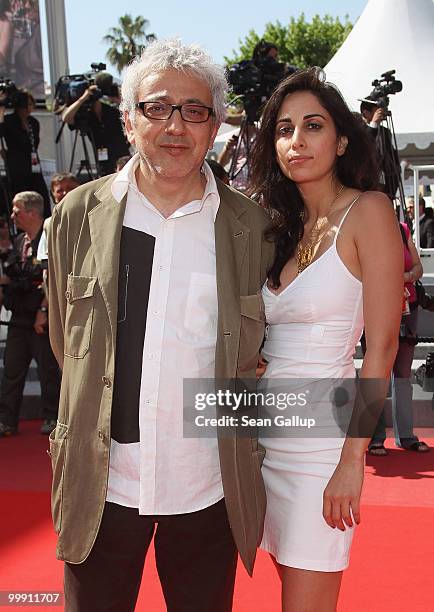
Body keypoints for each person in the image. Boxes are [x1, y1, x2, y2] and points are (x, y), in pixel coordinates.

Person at [48, 38, 274, 612]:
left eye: (195, 110)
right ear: (128, 121)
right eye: (157, 107)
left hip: (208, 487)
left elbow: (252, 354)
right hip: (101, 486)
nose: (176, 124)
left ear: (216, 125)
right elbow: (63, 341)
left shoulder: (249, 227)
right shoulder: (77, 215)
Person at [249, 68, 402, 611]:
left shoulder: (370, 212)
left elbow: (381, 349)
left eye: (312, 126)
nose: (297, 140)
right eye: (284, 129)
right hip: (263, 437)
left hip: (322, 446)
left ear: (340, 140)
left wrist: (352, 460)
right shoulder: (278, 225)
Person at [0, 191, 61, 437]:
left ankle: (52, 417)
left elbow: (52, 278)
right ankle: (6, 421)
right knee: (12, 371)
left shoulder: (50, 239)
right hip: (18, 317)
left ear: (32, 212)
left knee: (47, 371)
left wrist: (44, 310)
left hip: (40, 318)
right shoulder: (16, 243)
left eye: (17, 210)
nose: (12, 216)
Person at [368, 222, 429, 455]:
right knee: (376, 371)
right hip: (377, 308)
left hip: (408, 306)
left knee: (403, 373)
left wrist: (406, 276)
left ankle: (406, 436)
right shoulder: (365, 230)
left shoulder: (402, 230)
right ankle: (374, 438)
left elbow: (418, 267)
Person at [61, 73, 131, 176]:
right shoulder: (86, 115)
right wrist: (83, 98)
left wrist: (117, 99)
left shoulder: (112, 110)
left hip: (122, 160)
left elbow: (132, 116)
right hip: (103, 165)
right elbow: (66, 118)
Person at [0, 88, 50, 217]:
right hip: (17, 164)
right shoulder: (9, 120)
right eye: (26, 104)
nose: (29, 108)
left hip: (33, 164)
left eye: (31, 104)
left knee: (41, 193)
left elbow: (34, 143)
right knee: (20, 193)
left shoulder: (33, 122)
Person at [360, 99, 400, 202]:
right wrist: (373, 125)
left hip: (384, 193)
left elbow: (393, 164)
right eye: (376, 111)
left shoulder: (385, 132)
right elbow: (362, 149)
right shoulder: (357, 129)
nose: (381, 113)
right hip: (362, 192)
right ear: (366, 113)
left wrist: (388, 193)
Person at [36, 172, 80, 264]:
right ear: (53, 195)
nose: (66, 193)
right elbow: (44, 259)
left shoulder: (91, 216)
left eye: (70, 189)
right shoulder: (49, 224)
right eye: (60, 191)